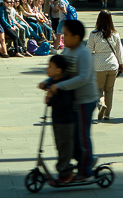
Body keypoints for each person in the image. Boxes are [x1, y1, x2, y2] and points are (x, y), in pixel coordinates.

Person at [47, 19, 98, 181]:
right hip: (73, 101)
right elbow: (60, 73)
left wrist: (60, 86)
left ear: (76, 37)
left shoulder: (84, 53)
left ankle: (86, 171)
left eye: (67, 35)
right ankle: (86, 161)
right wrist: (49, 82)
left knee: (82, 136)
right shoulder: (67, 52)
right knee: (74, 136)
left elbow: (83, 78)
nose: (64, 38)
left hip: (85, 100)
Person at [38, 54, 76, 185]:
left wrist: (51, 97)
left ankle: (66, 173)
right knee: (60, 146)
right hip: (57, 120)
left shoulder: (64, 84)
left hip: (65, 121)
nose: (47, 69)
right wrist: (45, 86)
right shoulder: (54, 80)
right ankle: (64, 170)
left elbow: (65, 102)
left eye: (50, 67)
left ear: (59, 70)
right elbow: (48, 84)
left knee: (64, 147)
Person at [87, 10, 123, 121]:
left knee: (98, 89)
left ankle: (101, 104)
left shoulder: (94, 34)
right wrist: (121, 64)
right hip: (112, 64)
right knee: (109, 90)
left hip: (98, 65)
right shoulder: (115, 34)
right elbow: (119, 51)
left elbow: (89, 50)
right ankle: (107, 114)